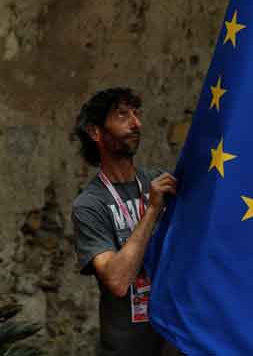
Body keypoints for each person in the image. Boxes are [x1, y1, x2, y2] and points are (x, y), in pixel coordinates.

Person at [71, 87, 178, 356]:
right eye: (122, 115)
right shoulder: (89, 205)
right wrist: (152, 210)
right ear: (96, 133)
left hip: (174, 347)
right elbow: (118, 280)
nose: (136, 123)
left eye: (136, 114)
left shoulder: (159, 182)